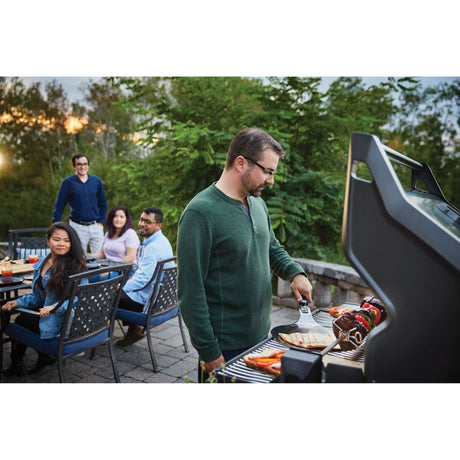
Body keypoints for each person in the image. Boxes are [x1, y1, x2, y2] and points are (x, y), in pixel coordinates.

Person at [177, 127, 313, 382]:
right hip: (224, 347)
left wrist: (294, 273)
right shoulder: (200, 214)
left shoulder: (257, 202)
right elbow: (190, 293)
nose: (271, 180)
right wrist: (209, 351)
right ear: (241, 163)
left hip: (262, 336)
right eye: (268, 171)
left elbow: (271, 246)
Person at [1, 222, 87, 377]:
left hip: (63, 321)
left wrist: (54, 307)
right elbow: (38, 296)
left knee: (16, 322)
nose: (61, 243)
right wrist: (18, 302)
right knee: (20, 314)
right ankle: (41, 357)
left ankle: (18, 362)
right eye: (57, 239)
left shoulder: (74, 266)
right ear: (48, 241)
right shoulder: (42, 263)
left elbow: (80, 299)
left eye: (67, 241)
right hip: (50, 312)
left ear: (72, 243)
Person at [115, 206, 174, 347]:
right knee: (124, 287)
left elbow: (142, 280)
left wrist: (120, 288)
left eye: (148, 222)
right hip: (160, 299)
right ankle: (134, 330)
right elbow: (143, 274)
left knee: (106, 297)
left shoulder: (153, 247)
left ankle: (89, 336)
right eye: (141, 220)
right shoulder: (162, 241)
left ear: (158, 225)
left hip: (148, 302)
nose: (141, 224)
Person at [52, 153, 108, 253]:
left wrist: (101, 221)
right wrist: (55, 226)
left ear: (88, 165)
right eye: (79, 164)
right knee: (78, 258)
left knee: (101, 257)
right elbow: (59, 206)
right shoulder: (67, 183)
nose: (83, 167)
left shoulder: (96, 181)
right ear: (74, 166)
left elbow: (103, 203)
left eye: (85, 164)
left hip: (96, 227)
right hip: (77, 227)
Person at [90, 205, 140, 280]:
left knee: (102, 280)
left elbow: (130, 257)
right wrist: (87, 257)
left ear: (126, 219)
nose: (118, 219)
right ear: (111, 218)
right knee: (88, 277)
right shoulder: (108, 233)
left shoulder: (130, 234)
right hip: (108, 267)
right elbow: (102, 253)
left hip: (126, 269)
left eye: (121, 217)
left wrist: (111, 270)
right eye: (115, 216)